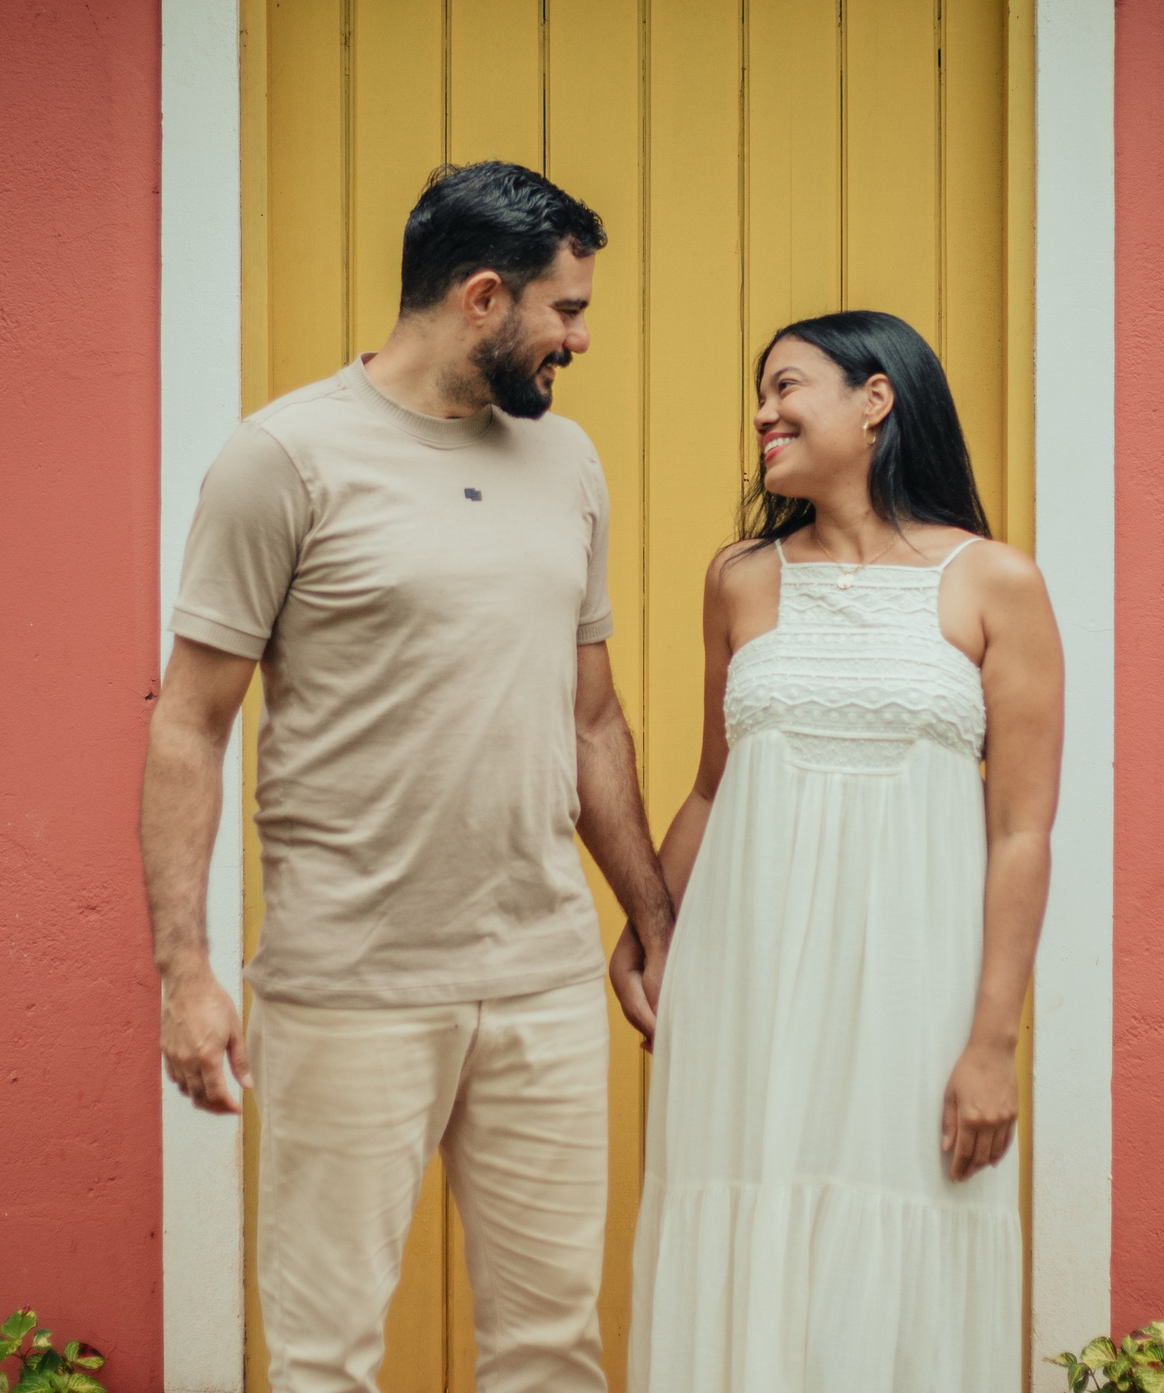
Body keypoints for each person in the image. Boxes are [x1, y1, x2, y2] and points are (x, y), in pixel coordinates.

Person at [138, 160, 675, 1393]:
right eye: (566, 310)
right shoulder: (283, 458)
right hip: (352, 982)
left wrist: (652, 921)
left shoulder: (567, 461)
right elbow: (189, 728)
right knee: (325, 1355)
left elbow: (593, 720)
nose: (580, 338)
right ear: (482, 298)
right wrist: (183, 974)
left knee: (553, 1349)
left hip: (541, 977)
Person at [617, 310, 1064, 1393]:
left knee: (902, 1243)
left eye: (787, 386)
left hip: (916, 997)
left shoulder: (995, 582)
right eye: (760, 393)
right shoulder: (740, 577)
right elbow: (714, 784)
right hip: (748, 994)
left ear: (875, 399)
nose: (762, 413)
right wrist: (649, 927)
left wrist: (992, 1043)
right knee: (746, 1237)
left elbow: (1021, 830)